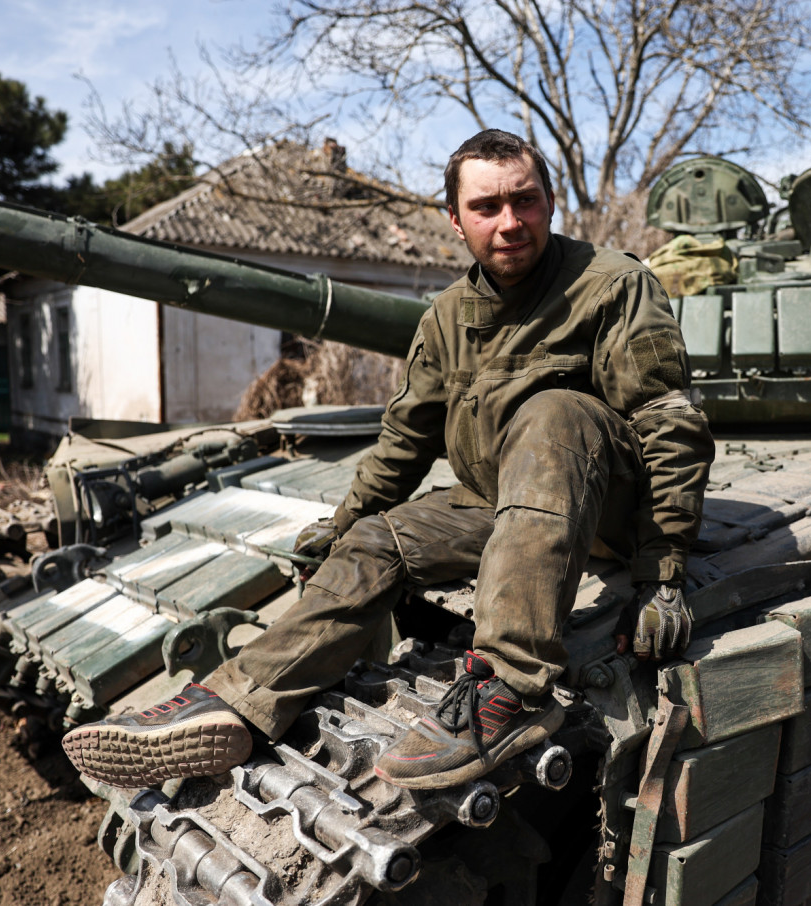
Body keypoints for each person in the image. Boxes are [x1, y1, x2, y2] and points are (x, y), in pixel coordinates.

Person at [62, 129, 714, 792]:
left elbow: (668, 424)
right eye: (487, 207)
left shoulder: (611, 286)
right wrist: (346, 523)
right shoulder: (446, 320)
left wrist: (662, 575)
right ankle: (238, 700)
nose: (511, 222)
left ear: (550, 204)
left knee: (554, 411)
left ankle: (511, 689)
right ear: (454, 220)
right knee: (379, 539)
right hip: (504, 507)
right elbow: (405, 441)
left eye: (526, 200)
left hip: (608, 505)